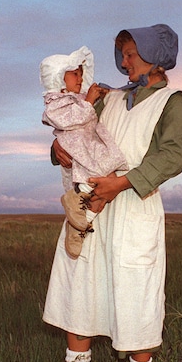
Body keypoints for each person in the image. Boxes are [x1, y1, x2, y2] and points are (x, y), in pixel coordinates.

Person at [42, 24, 182, 362]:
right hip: (91, 207)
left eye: (129, 54)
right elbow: (74, 130)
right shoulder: (109, 98)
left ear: (154, 54)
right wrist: (58, 151)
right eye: (121, 55)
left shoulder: (172, 101)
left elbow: (171, 157)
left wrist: (120, 183)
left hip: (133, 208)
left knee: (135, 295)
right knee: (80, 289)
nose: (122, 62)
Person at [40, 46, 128, 259]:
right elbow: (67, 119)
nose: (80, 79)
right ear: (59, 78)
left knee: (109, 172)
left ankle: (77, 227)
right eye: (74, 74)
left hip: (90, 145)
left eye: (81, 74)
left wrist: (101, 97)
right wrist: (89, 101)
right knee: (96, 177)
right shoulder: (55, 101)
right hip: (78, 148)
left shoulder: (79, 98)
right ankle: (75, 201)